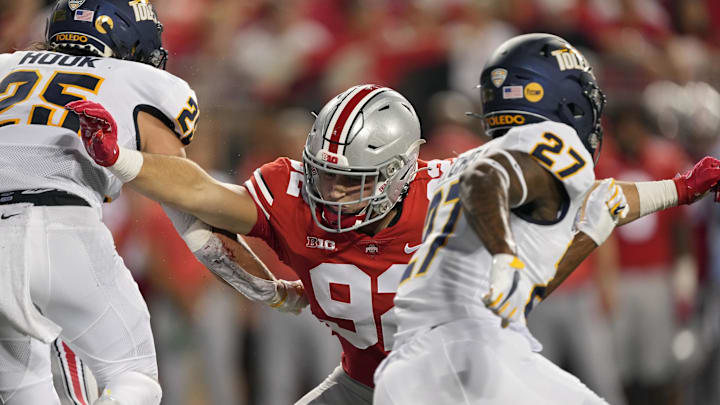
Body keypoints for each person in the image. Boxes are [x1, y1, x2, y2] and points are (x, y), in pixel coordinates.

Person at [66, 70, 720, 405]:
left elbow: (593, 203)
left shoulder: (456, 191)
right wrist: (120, 158)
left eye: (353, 181)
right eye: (326, 176)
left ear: (401, 170)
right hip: (360, 382)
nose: (332, 193)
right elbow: (206, 195)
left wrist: (677, 190)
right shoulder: (293, 194)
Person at [371, 33, 720, 404]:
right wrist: (506, 255)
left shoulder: (477, 160)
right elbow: (488, 181)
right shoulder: (543, 143)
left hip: (425, 364)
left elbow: (602, 202)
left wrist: (681, 189)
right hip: (466, 355)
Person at [0, 1, 299, 404]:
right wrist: (268, 289)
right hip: (60, 227)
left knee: (25, 393)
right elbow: (190, 201)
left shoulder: (5, 66)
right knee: (133, 377)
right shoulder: (136, 80)